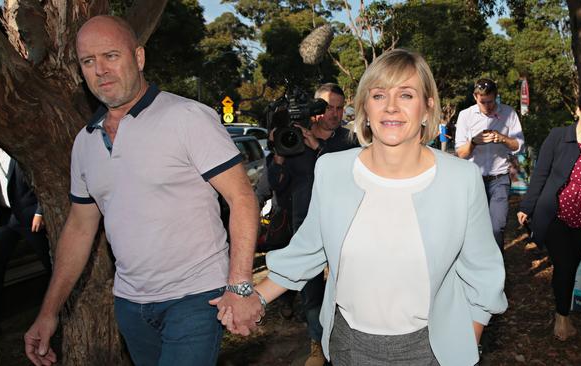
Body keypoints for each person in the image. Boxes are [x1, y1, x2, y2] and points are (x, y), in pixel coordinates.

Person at [214, 49, 507, 366]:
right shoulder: (332, 169)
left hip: (431, 348)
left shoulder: (460, 179)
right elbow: (309, 249)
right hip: (347, 346)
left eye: (406, 95)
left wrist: (465, 344)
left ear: (427, 107)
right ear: (365, 107)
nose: (391, 106)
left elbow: (483, 275)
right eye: (379, 95)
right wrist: (252, 296)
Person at [24, 15, 261, 366]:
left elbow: (242, 198)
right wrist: (49, 312)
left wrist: (239, 285)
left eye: (111, 56)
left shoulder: (188, 117)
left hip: (196, 297)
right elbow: (79, 227)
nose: (100, 69)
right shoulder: (84, 143)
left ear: (138, 58)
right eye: (89, 61)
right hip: (131, 306)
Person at [266, 83, 358, 366]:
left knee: (349, 289)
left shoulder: (349, 140)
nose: (334, 113)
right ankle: (317, 343)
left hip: (347, 228)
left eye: (339, 108)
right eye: (328, 107)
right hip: (305, 227)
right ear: (314, 110)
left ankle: (349, 342)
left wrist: (317, 148)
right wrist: (280, 150)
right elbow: (278, 186)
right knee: (312, 294)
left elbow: (354, 178)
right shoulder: (293, 138)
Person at [517, 90, 581, 341]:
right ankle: (562, 318)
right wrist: (526, 206)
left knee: (568, 268)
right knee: (565, 264)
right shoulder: (558, 137)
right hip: (554, 214)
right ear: (578, 111)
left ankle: (562, 310)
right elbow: (541, 173)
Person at [0, 143, 52, 336]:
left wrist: (40, 211)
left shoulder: (20, 144)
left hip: (29, 217)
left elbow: (42, 179)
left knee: (51, 263)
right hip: (3, 217)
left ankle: (61, 312)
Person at [455, 78, 524, 250]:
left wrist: (503, 138)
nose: (487, 106)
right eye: (482, 102)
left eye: (490, 101)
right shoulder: (465, 115)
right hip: (474, 179)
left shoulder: (509, 113)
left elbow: (519, 146)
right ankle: (475, 267)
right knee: (473, 228)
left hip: (499, 179)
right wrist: (474, 142)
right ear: (475, 97)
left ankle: (496, 269)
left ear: (496, 96)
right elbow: (460, 153)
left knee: (496, 227)